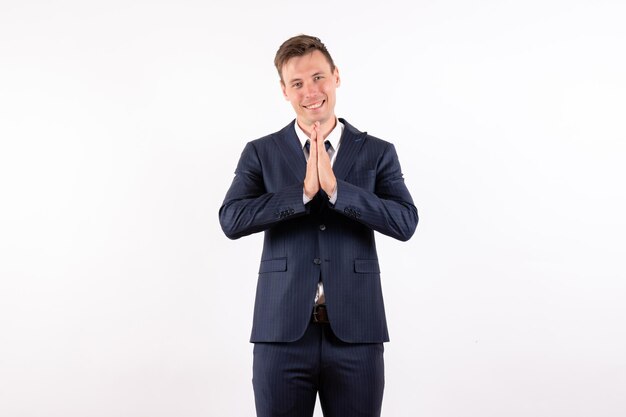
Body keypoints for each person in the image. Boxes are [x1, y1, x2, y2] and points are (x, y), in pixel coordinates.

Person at [219, 34, 418, 417]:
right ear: (284, 91)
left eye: (318, 78)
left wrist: (338, 191)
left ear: (336, 76)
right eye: (297, 83)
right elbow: (231, 218)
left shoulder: (377, 152)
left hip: (357, 335)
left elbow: (405, 221)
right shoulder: (261, 152)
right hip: (281, 334)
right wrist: (304, 192)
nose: (310, 91)